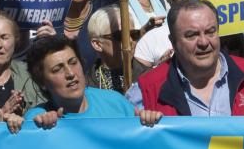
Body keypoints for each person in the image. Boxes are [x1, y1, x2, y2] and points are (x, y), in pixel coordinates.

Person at [128, 0, 244, 117]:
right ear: (173, 42)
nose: (203, 42)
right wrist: (141, 129)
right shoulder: (146, 91)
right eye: (192, 35)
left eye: (210, 32)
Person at [24, 36, 153, 128]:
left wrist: (149, 123)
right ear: (42, 82)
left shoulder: (116, 102)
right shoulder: (38, 120)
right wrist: (42, 129)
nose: (70, 73)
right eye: (57, 69)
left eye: (73, 63)